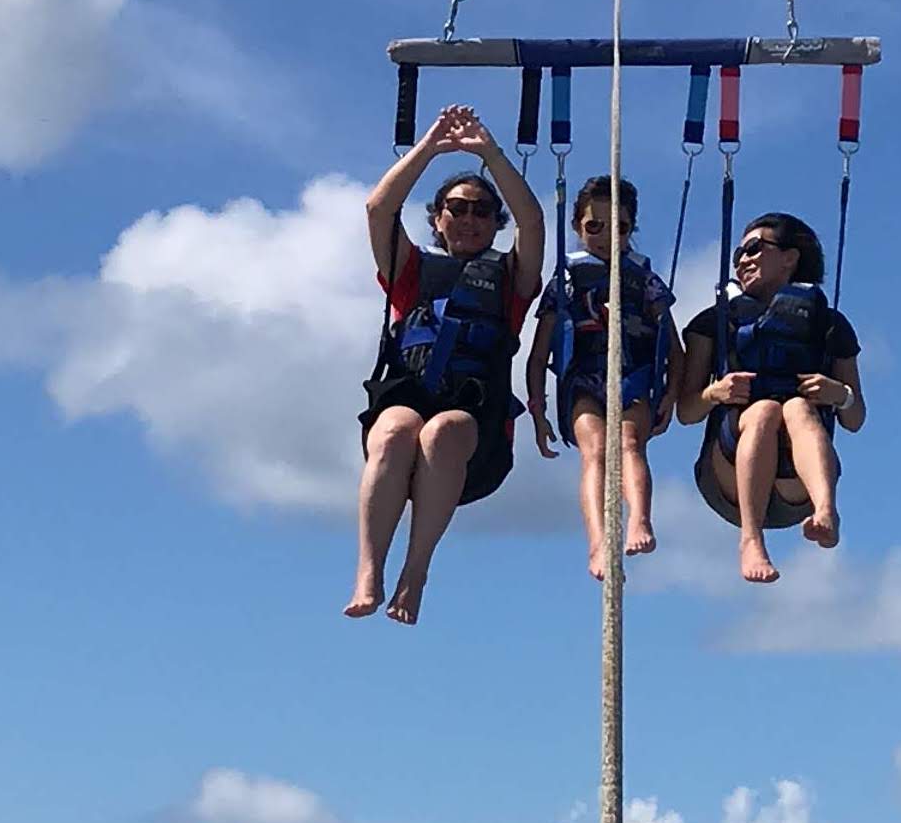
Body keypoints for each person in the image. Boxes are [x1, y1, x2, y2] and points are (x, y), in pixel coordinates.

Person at [351, 104, 544, 627]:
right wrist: (431, 147)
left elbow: (532, 221)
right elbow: (377, 210)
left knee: (442, 432)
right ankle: (370, 570)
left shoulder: (509, 281)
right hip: (405, 406)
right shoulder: (410, 273)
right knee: (396, 430)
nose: (468, 219)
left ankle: (415, 572)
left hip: (474, 439)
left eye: (481, 211)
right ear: (437, 219)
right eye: (456, 209)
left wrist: (489, 154)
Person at [677, 210, 863, 586]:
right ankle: (750, 540)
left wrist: (838, 395)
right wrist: (715, 392)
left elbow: (855, 417)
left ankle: (826, 511)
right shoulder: (713, 324)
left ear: (790, 257)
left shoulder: (829, 325)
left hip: (797, 484)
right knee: (763, 411)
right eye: (738, 255)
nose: (743, 260)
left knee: (796, 408)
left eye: (754, 249)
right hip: (727, 476)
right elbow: (687, 411)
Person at [524, 173, 671, 578]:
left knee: (628, 442)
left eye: (620, 228)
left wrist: (670, 397)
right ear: (577, 227)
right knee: (595, 450)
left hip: (634, 375)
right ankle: (599, 543)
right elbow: (537, 357)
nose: (607, 237)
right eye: (595, 227)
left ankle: (639, 519)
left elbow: (671, 346)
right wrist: (538, 412)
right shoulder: (567, 280)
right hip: (584, 378)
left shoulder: (643, 279)